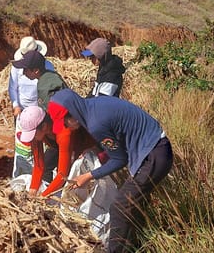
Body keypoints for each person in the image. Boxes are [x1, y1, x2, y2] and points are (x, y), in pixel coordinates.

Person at [50, 88, 173, 252]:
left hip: (154, 154)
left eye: (65, 122)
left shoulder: (95, 124)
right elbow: (117, 138)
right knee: (131, 206)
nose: (65, 126)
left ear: (71, 113)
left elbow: (120, 159)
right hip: (154, 148)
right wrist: (96, 150)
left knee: (119, 207)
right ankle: (136, 246)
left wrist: (88, 175)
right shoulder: (93, 105)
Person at [18, 105, 98, 197]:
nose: (31, 138)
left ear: (44, 126)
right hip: (57, 143)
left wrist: (43, 196)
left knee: (73, 175)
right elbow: (39, 165)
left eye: (33, 134)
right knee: (47, 164)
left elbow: (62, 175)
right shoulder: (38, 133)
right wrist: (33, 190)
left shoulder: (64, 133)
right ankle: (49, 187)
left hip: (82, 145)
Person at [9, 36, 55, 178]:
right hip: (23, 113)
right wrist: (16, 106)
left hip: (40, 114)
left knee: (40, 145)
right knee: (22, 147)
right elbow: (12, 88)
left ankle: (39, 176)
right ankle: (21, 176)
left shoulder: (48, 67)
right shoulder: (17, 68)